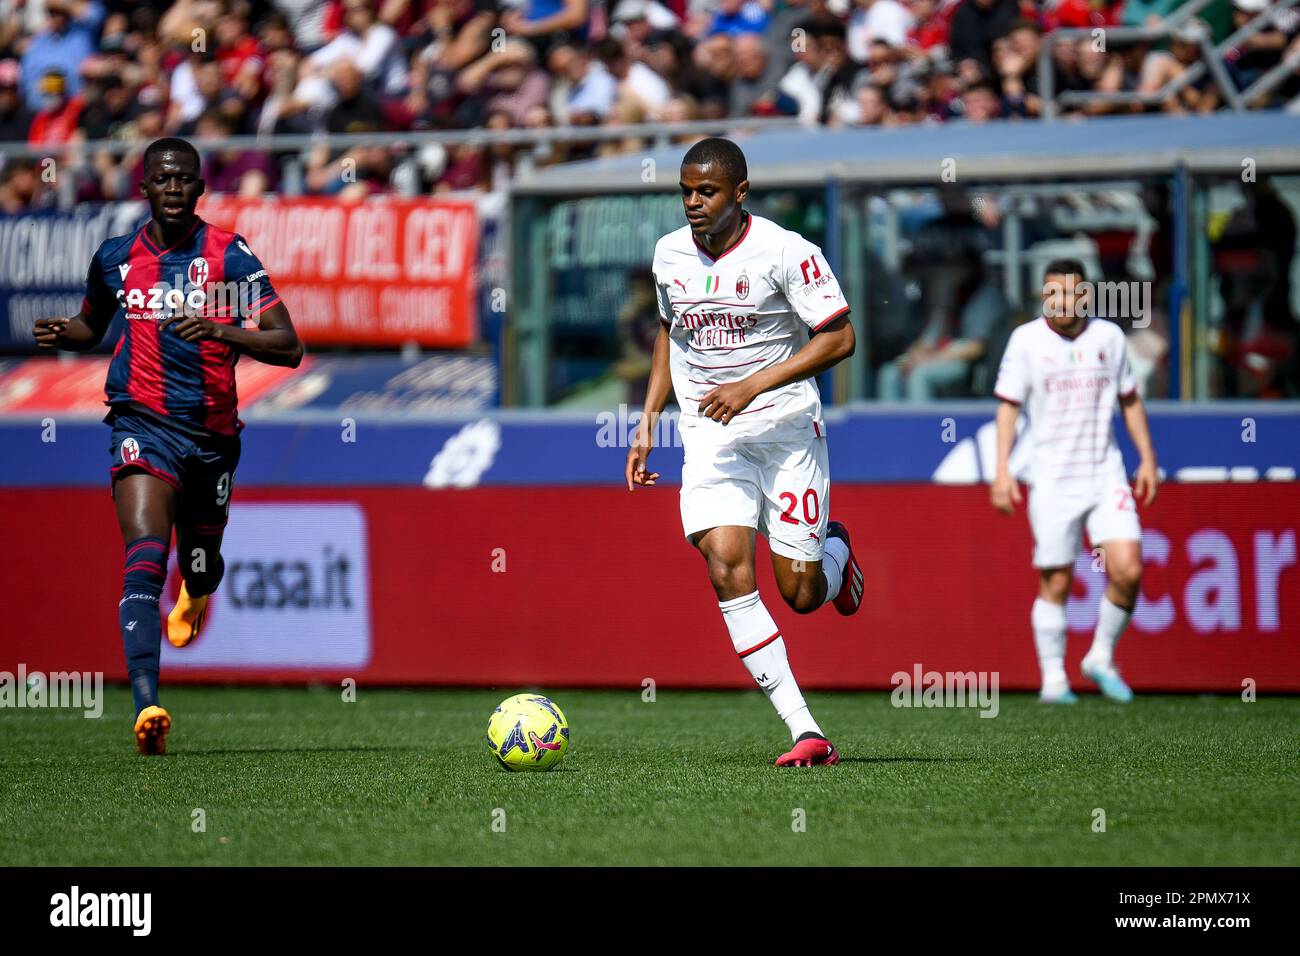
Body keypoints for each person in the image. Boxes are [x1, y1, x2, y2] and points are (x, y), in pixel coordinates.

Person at [33, 137, 304, 755]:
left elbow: (288, 346)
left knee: (201, 561)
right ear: (145, 187)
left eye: (185, 179)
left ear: (201, 188)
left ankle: (199, 592)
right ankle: (147, 702)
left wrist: (218, 328)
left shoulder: (229, 257)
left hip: (211, 436)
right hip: (140, 423)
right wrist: (67, 333)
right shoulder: (116, 257)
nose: (174, 188)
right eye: (163, 178)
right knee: (145, 551)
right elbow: (93, 324)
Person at [626, 137, 863, 768]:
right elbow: (670, 332)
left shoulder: (786, 251)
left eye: (706, 191)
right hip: (710, 434)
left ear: (740, 193)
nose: (693, 203)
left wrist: (754, 384)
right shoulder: (668, 254)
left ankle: (835, 554)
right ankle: (804, 730)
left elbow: (840, 338)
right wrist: (648, 417)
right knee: (726, 563)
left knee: (802, 593)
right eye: (685, 191)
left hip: (785, 430)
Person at [990, 259, 1159, 704]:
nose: (1062, 302)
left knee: (1128, 569)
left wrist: (1147, 458)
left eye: (1071, 294)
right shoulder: (1025, 341)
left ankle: (1100, 657)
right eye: (1053, 294)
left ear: (1087, 296)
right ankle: (1054, 681)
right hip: (1052, 478)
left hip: (1106, 473)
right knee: (1057, 581)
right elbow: (1008, 406)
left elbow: (1130, 399)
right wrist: (1002, 470)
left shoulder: (1109, 338)